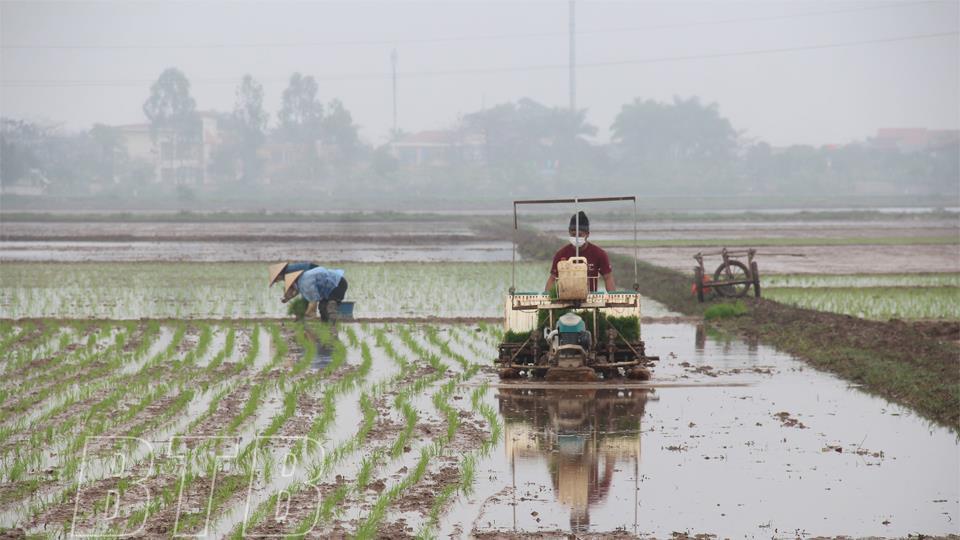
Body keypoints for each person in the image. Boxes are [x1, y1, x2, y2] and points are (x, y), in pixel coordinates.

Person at [544, 211, 615, 293]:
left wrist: (613, 298)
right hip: (566, 299)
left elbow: (608, 278)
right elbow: (552, 279)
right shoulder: (561, 254)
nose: (576, 238)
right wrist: (546, 299)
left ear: (587, 234)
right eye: (573, 234)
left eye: (579, 235)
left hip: (590, 299)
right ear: (569, 232)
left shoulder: (599, 254)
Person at [282, 265, 348, 321]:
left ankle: (333, 328)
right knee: (322, 308)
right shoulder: (300, 281)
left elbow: (313, 302)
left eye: (289, 290)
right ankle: (325, 327)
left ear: (292, 285)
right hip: (329, 288)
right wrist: (287, 298)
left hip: (338, 284)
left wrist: (304, 315)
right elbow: (296, 291)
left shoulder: (304, 283)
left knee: (330, 306)